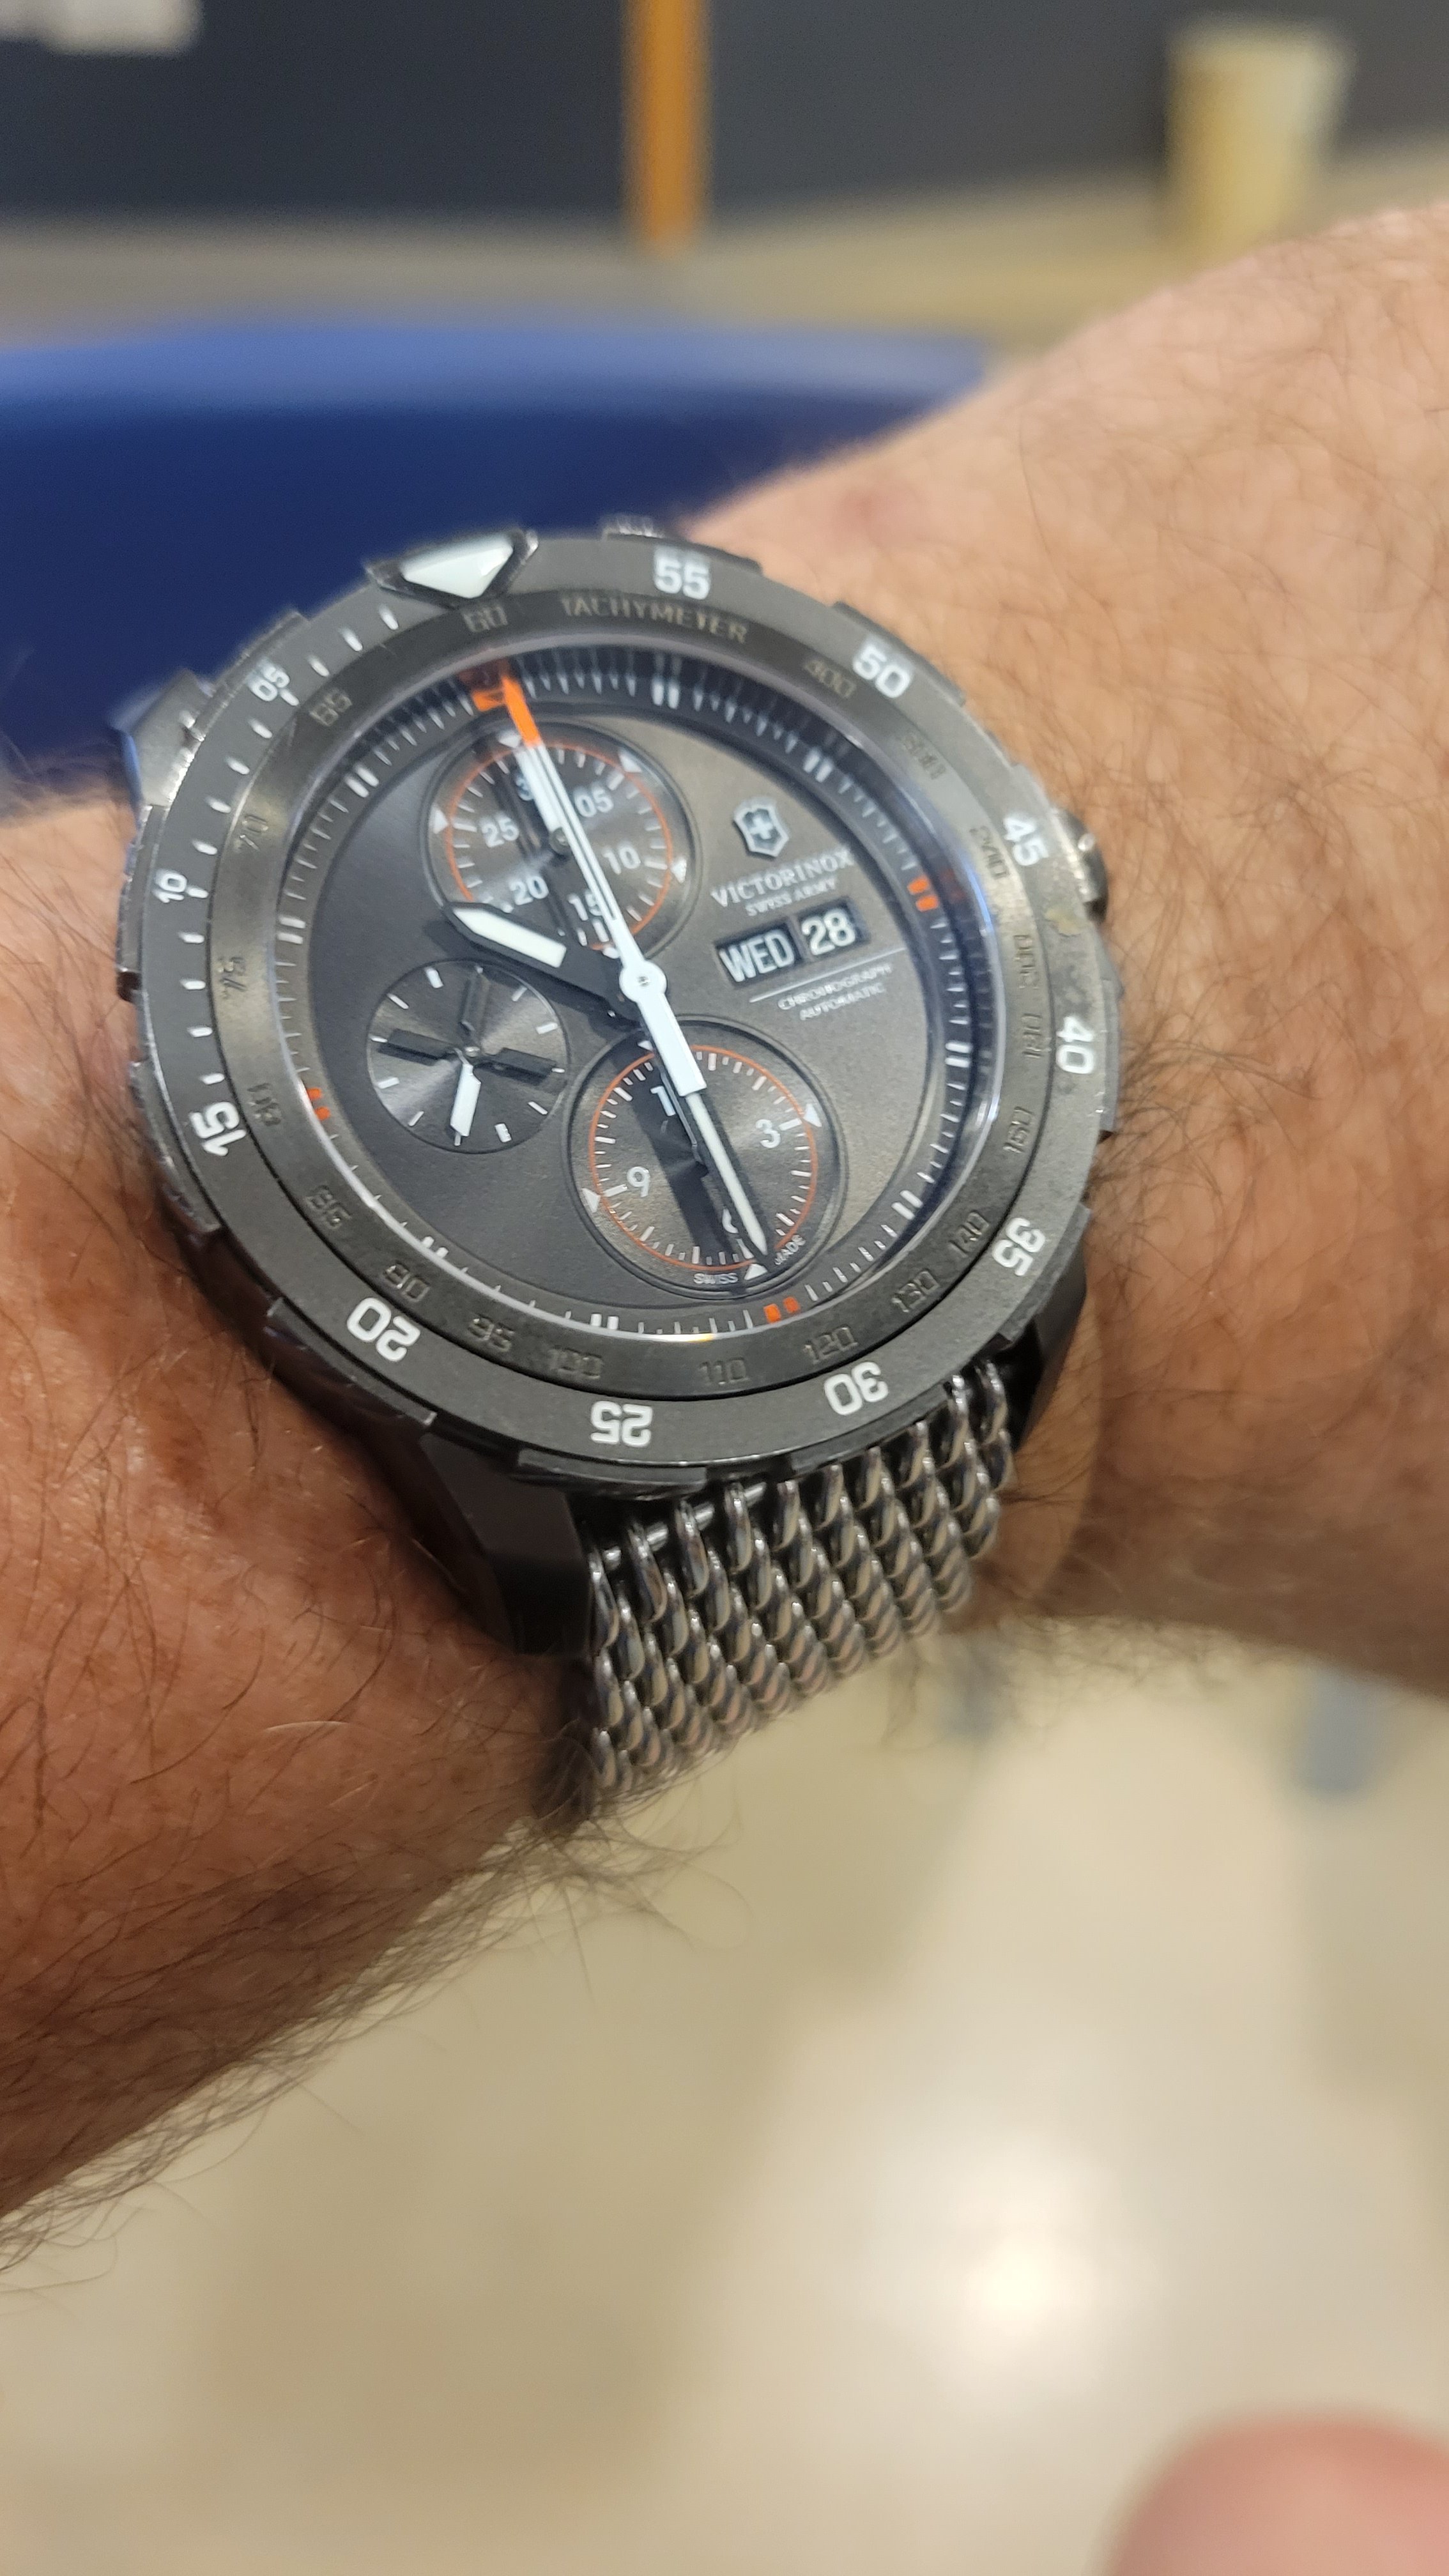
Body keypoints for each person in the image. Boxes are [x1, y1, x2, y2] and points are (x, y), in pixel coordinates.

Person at [8, 201, 1449, 2569]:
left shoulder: (946, 977)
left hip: (877, 1256)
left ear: (1047, 872)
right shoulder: (242, 1062)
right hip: (597, 1364)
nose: (637, 996)